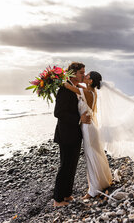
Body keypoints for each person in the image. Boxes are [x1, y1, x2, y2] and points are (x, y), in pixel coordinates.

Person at [64, 71, 113, 199]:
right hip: (91, 127)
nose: (84, 76)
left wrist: (55, 77)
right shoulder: (91, 91)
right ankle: (102, 181)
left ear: (90, 81)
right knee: (96, 154)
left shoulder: (86, 92)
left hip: (87, 128)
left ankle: (94, 190)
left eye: (87, 76)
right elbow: (79, 86)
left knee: (91, 156)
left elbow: (67, 86)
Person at [52, 62, 90, 207]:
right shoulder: (64, 89)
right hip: (66, 134)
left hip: (75, 133)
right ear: (73, 73)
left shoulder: (73, 88)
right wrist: (79, 119)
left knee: (72, 165)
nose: (83, 75)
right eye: (81, 72)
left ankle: (67, 194)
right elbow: (58, 113)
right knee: (65, 166)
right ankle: (58, 199)